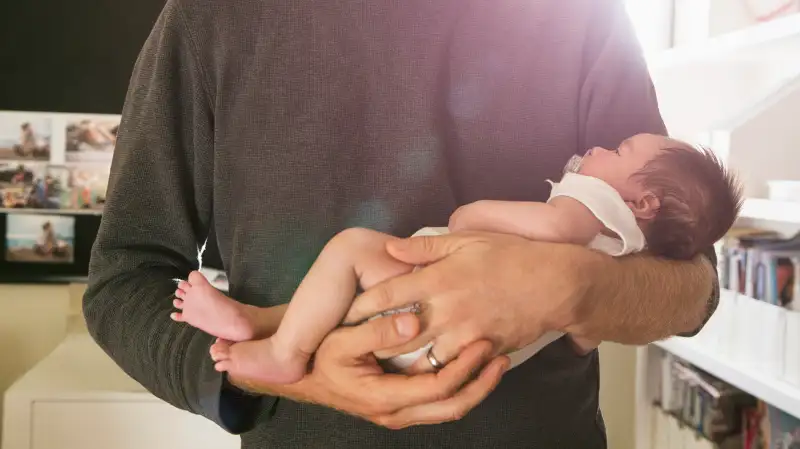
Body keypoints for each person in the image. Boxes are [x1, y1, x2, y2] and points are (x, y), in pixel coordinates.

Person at [83, 1, 722, 447]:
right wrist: (279, 374)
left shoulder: (581, 16)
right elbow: (124, 281)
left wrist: (576, 286)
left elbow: (691, 285)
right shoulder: (211, 17)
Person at [171, 134, 741, 383]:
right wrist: (585, 309)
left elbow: (552, 225)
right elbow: (586, 335)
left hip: (428, 299)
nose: (599, 148)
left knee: (351, 252)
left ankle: (284, 350)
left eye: (618, 151)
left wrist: (472, 216)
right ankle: (259, 323)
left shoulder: (593, 201)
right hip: (474, 353)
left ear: (645, 201)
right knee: (350, 301)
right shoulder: (630, 243)